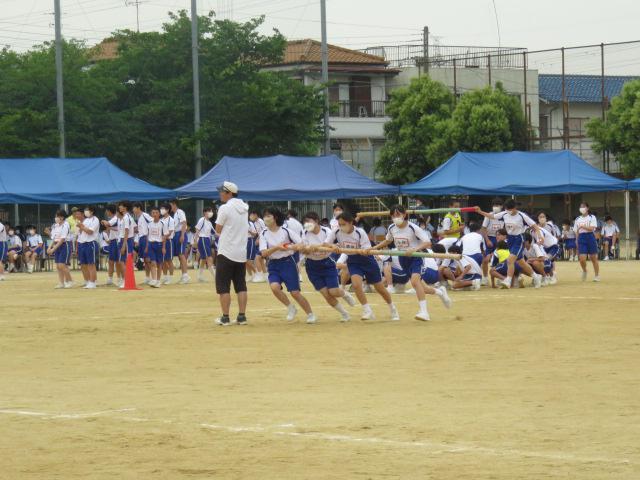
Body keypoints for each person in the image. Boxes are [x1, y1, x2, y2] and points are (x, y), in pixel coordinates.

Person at [325, 211, 399, 321]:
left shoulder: (360, 232)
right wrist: (333, 246)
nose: (341, 227)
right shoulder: (336, 232)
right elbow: (326, 243)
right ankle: (367, 310)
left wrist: (363, 251)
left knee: (379, 288)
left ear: (351, 223)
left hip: (367, 260)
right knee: (356, 285)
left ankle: (392, 308)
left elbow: (366, 248)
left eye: (343, 224)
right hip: (353, 261)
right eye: (339, 224)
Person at [373, 205, 432, 321]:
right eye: (393, 216)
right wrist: (374, 247)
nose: (396, 217)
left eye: (398, 215)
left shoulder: (413, 227)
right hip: (402, 259)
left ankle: (424, 312)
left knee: (415, 282)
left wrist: (414, 249)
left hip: (416, 258)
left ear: (404, 215)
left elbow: (427, 242)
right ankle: (440, 292)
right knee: (423, 287)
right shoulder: (391, 228)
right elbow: (388, 240)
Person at [259, 207, 316, 324]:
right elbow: (264, 253)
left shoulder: (285, 231)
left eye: (269, 216)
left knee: (295, 292)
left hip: (288, 263)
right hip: (273, 264)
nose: (266, 218)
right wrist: (277, 247)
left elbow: (301, 243)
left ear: (275, 217)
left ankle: (310, 314)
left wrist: (296, 247)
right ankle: (290, 307)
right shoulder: (263, 233)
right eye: (265, 216)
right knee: (274, 287)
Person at [298, 211, 355, 322]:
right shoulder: (304, 233)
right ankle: (344, 314)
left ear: (316, 221)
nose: (307, 224)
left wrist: (315, 247)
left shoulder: (327, 231)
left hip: (327, 263)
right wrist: (306, 248)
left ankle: (344, 293)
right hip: (312, 265)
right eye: (305, 222)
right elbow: (303, 249)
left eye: (309, 221)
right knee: (325, 294)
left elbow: (328, 245)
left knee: (333, 291)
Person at [475, 200, 543, 289]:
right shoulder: (504, 214)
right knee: (521, 262)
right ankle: (536, 277)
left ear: (515, 208)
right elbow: (491, 216)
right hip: (510, 239)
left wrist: (540, 236)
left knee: (510, 259)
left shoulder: (522, 216)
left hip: (519, 239)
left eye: (510, 209)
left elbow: (535, 227)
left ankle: (508, 280)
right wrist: (480, 211)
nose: (508, 211)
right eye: (507, 209)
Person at [214, 181, 249, 326]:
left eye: (222, 191)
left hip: (226, 251)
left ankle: (225, 317)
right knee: (241, 285)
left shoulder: (225, 208)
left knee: (223, 286)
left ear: (229, 193)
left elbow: (218, 230)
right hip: (241, 252)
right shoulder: (245, 207)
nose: (220, 194)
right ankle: (242, 316)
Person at [574, 202, 600, 282]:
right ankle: (585, 270)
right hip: (581, 238)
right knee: (582, 259)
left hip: (590, 237)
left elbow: (592, 228)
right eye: (580, 207)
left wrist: (583, 226)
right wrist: (577, 240)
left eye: (583, 207)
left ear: (587, 208)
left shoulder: (592, 217)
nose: (582, 208)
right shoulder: (578, 219)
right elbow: (576, 231)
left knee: (593, 258)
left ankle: (597, 275)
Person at [480, 198, 505, 284]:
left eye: (497, 205)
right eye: (494, 205)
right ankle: (485, 278)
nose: (495, 207)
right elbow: (483, 229)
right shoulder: (489, 215)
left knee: (500, 258)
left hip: (500, 238)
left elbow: (505, 230)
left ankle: (499, 277)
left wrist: (501, 239)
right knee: (486, 259)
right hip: (490, 238)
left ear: (501, 206)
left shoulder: (504, 216)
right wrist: (487, 240)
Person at [47, 210, 73, 288]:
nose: (56, 218)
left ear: (62, 217)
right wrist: (49, 247)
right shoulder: (55, 225)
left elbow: (62, 239)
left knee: (62, 264)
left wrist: (53, 249)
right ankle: (61, 283)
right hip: (57, 245)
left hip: (65, 245)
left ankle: (70, 281)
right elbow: (53, 238)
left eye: (57, 216)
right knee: (58, 266)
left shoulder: (66, 225)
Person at [76, 205, 100, 289]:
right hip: (83, 243)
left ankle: (93, 282)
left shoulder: (95, 219)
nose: (85, 212)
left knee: (91, 264)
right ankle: (88, 281)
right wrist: (80, 227)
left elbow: (90, 231)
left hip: (91, 243)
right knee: (83, 264)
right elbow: (81, 232)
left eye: (87, 210)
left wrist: (81, 227)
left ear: (92, 211)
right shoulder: (86, 220)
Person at [170, 199, 190, 284]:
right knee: (179, 255)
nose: (169, 206)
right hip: (176, 234)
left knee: (181, 255)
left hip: (180, 234)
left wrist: (182, 235)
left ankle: (186, 276)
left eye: (170, 204)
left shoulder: (180, 212)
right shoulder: (175, 214)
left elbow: (184, 223)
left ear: (174, 204)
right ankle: (183, 276)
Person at [193, 206, 216, 283]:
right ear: (205, 213)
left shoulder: (209, 222)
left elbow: (215, 233)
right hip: (202, 239)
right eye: (210, 211)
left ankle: (200, 276)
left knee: (203, 259)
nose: (211, 213)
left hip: (207, 240)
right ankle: (216, 277)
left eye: (211, 211)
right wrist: (195, 241)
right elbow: (197, 230)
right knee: (209, 258)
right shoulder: (202, 220)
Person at [100, 204, 121, 286]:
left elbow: (108, 224)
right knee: (111, 261)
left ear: (109, 211)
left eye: (106, 210)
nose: (106, 212)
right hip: (112, 241)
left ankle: (119, 279)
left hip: (116, 240)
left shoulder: (116, 218)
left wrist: (104, 222)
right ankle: (110, 279)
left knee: (118, 261)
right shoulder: (113, 218)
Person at [133, 202, 153, 284]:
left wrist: (149, 237)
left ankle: (153, 278)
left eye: (134, 208)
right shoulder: (139, 217)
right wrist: (138, 240)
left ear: (138, 208)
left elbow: (152, 223)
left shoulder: (145, 215)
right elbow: (140, 230)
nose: (133, 210)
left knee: (148, 259)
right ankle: (147, 278)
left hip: (146, 238)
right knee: (145, 259)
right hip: (141, 239)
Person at [146, 206, 164, 288]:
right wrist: (147, 246)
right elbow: (147, 236)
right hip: (151, 244)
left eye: (156, 212)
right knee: (152, 262)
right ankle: (153, 279)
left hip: (159, 245)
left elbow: (164, 236)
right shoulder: (149, 224)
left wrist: (164, 247)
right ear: (151, 214)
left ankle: (158, 280)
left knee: (159, 263)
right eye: (153, 213)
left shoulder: (162, 224)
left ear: (159, 214)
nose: (155, 214)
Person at [159, 203, 175, 285]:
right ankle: (165, 277)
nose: (161, 210)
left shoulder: (171, 220)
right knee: (163, 260)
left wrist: (164, 237)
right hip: (161, 241)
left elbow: (171, 231)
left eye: (163, 209)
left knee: (169, 260)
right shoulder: (161, 220)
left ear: (167, 210)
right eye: (161, 208)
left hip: (168, 241)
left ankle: (170, 278)